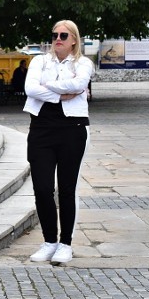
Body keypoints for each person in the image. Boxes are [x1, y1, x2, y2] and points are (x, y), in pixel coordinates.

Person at [24, 20, 93, 265]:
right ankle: (49, 240)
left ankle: (66, 243)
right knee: (42, 188)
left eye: (64, 35)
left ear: (74, 38)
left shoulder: (83, 63)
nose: (58, 39)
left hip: (72, 129)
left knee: (67, 188)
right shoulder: (39, 61)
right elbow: (30, 88)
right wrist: (60, 95)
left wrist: (47, 87)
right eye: (54, 35)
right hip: (41, 129)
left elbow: (78, 84)